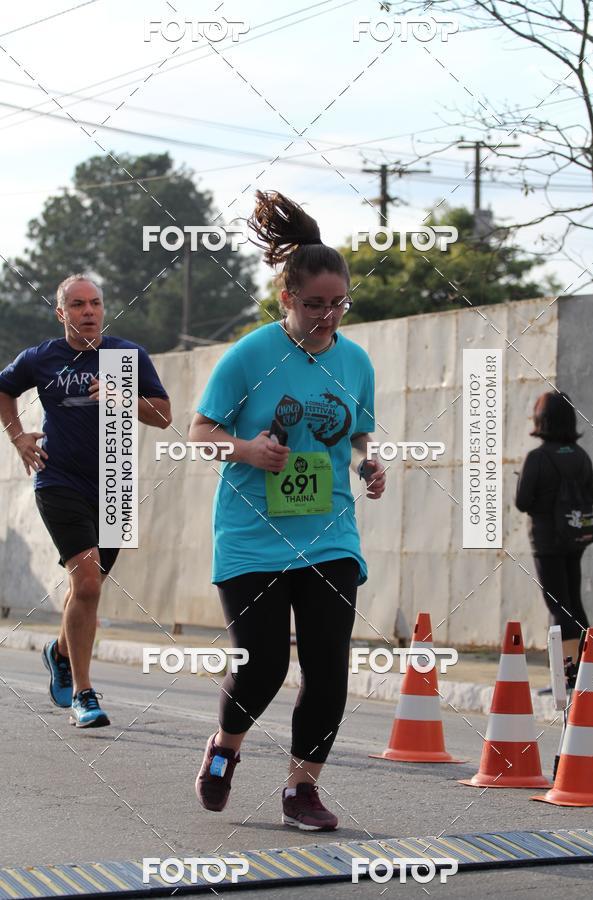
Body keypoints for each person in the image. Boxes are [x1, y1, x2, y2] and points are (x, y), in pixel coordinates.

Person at [189, 191, 386, 831]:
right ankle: (225, 748)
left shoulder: (355, 361)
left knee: (328, 669)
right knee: (265, 665)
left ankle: (303, 788)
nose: (327, 316)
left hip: (330, 534)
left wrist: (369, 463)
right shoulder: (249, 355)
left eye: (339, 303)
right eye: (314, 304)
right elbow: (200, 432)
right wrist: (247, 449)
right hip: (252, 537)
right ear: (287, 298)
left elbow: (359, 434)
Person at [0, 275, 171, 727]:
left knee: (87, 588)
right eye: (77, 305)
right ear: (61, 313)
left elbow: (163, 416)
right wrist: (18, 437)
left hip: (115, 482)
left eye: (95, 303)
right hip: (58, 480)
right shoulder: (41, 358)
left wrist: (123, 397)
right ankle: (83, 694)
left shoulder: (125, 356)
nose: (89, 311)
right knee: (89, 583)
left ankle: (59, 653)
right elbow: (4, 388)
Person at [516, 390, 593, 666]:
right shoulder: (581, 456)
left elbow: (522, 502)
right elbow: (591, 496)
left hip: (547, 541)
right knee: (574, 602)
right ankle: (588, 669)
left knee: (558, 607)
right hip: (575, 537)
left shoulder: (537, 458)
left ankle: (567, 673)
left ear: (542, 420)